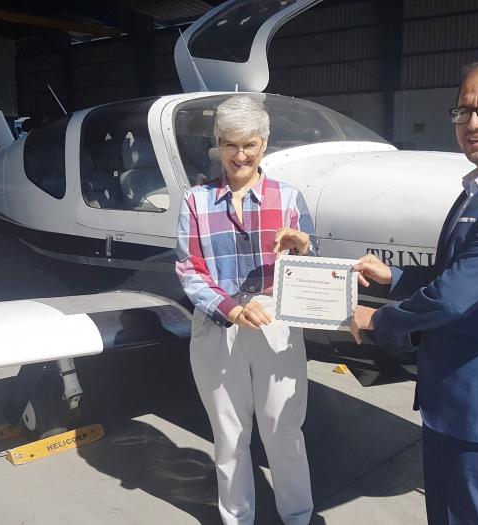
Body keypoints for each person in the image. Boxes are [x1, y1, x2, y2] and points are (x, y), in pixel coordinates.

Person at [350, 59, 478, 524]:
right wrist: (395, 276)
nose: (472, 123)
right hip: (452, 397)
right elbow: (456, 271)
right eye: (463, 111)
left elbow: (453, 297)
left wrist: (376, 319)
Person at [175, 95, 316, 525]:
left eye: (250, 144)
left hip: (275, 322)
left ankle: (298, 515)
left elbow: (315, 273)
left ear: (264, 144)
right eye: (230, 144)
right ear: (218, 144)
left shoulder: (290, 198)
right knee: (229, 434)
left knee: (284, 430)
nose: (240, 155)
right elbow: (189, 269)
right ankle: (236, 518)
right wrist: (231, 311)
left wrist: (307, 250)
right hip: (218, 326)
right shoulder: (195, 202)